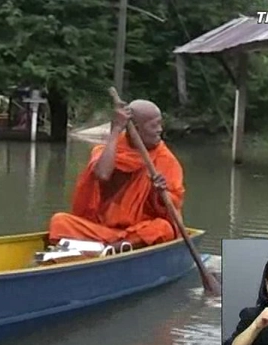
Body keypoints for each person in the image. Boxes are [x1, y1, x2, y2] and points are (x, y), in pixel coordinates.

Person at [47, 99, 184, 251]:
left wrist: (158, 193)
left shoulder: (165, 160)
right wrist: (115, 130)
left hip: (137, 232)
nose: (159, 130)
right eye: (154, 125)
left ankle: (111, 250)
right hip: (103, 229)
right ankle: (109, 248)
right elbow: (102, 174)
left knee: (163, 228)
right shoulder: (111, 149)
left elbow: (173, 208)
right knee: (59, 221)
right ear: (135, 129)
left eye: (160, 124)